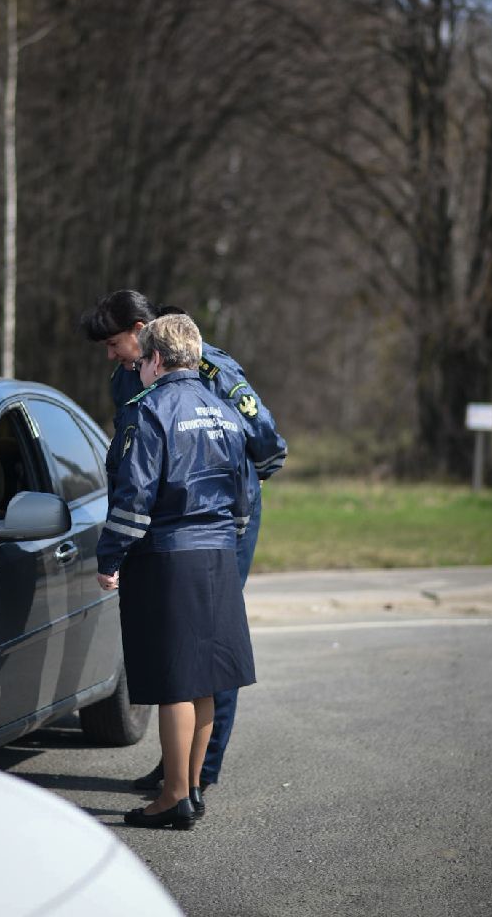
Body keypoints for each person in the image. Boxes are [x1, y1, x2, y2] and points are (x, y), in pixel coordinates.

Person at [81, 289, 287, 790]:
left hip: (215, 519)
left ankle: (201, 771)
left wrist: (227, 494)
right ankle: (179, 769)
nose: (110, 355)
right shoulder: (126, 378)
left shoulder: (209, 368)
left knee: (209, 643)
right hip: (162, 520)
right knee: (175, 641)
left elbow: (267, 447)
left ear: (141, 331)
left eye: (114, 343)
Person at [96, 314, 255, 829]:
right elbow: (245, 491)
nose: (136, 369)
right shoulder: (226, 410)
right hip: (218, 555)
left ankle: (172, 797)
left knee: (175, 685)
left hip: (168, 556)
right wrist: (229, 535)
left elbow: (134, 495)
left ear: (157, 360)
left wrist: (110, 557)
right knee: (206, 680)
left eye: (139, 361)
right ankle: (191, 790)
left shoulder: (149, 411)